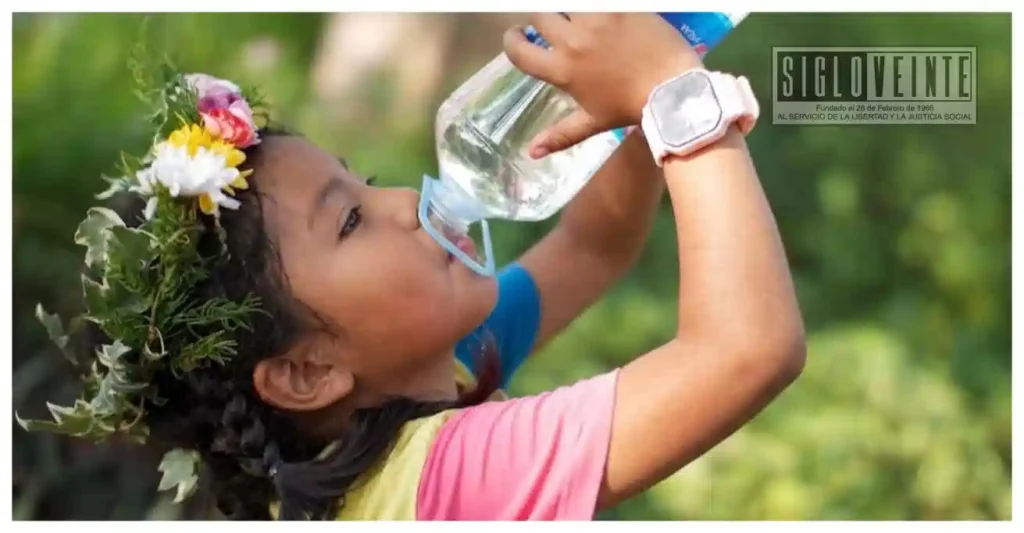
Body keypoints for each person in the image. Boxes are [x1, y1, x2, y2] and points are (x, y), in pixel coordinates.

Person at [20, 13, 805, 520]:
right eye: (351, 219)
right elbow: (747, 349)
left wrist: (622, 92)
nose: (403, 199)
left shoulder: (410, 390)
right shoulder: (446, 482)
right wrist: (675, 96)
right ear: (305, 372)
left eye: (362, 178)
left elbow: (596, 243)